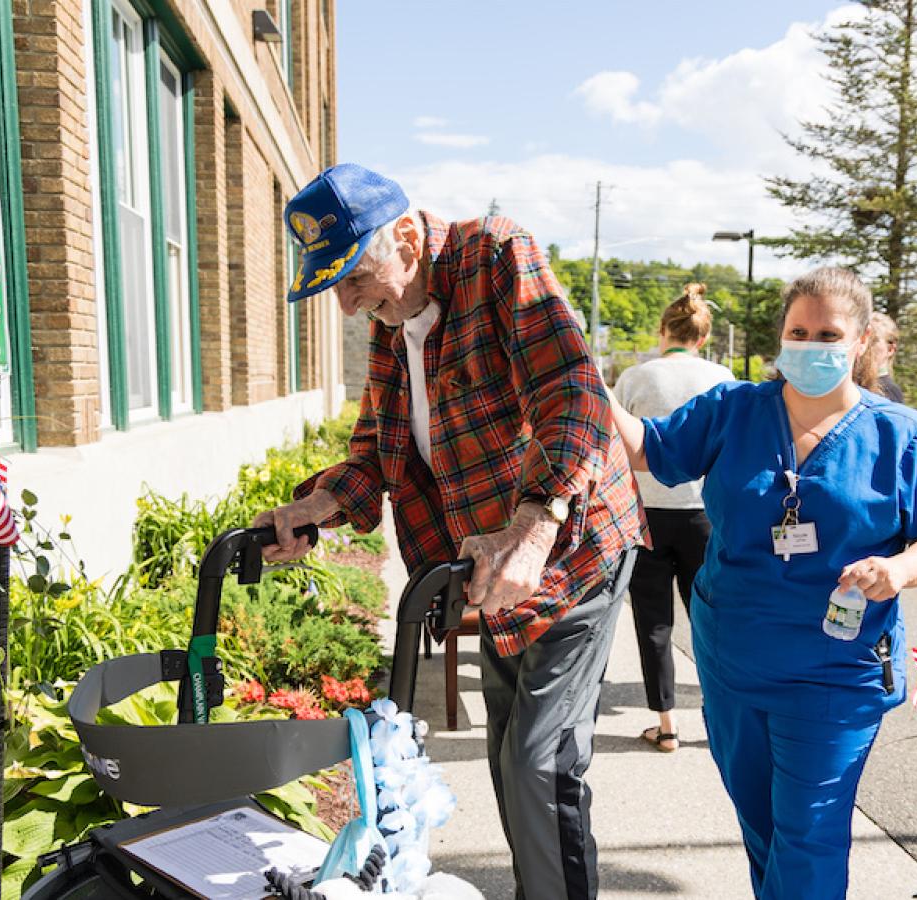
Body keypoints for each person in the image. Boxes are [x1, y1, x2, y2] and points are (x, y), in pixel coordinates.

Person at [253, 164, 644, 900]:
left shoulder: (496, 256)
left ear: (405, 235)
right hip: (487, 563)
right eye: (330, 285)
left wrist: (533, 528)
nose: (345, 305)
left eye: (352, 276)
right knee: (506, 755)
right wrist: (319, 506)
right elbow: (378, 453)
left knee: (540, 762)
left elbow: (573, 394)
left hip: (569, 546)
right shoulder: (391, 322)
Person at [605, 266, 917, 898]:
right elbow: (645, 449)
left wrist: (899, 568)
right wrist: (578, 375)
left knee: (811, 837)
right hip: (734, 661)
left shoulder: (902, 435)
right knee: (763, 824)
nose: (812, 344)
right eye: (800, 330)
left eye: (829, 333)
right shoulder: (733, 410)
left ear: (860, 342)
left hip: (836, 669)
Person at [611, 283, 734, 753]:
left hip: (647, 515)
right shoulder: (722, 377)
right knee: (708, 618)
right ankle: (718, 718)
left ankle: (665, 725)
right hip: (705, 515)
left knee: (653, 622)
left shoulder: (636, 378)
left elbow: (619, 446)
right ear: (702, 337)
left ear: (664, 331)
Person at [855, 311, 904, 403]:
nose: (865, 346)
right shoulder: (851, 385)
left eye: (873, 341)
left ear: (890, 349)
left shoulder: (890, 391)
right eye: (862, 339)